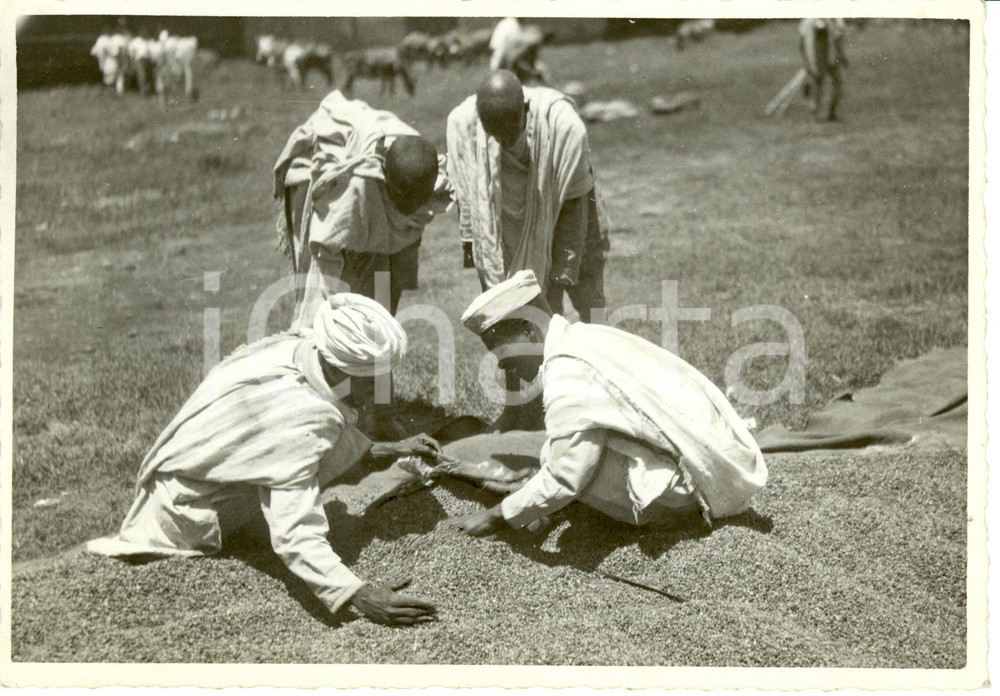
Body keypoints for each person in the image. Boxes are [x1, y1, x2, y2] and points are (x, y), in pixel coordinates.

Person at [87, 294, 441, 627]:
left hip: (179, 484)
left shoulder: (298, 347)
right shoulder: (305, 415)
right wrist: (355, 593)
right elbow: (295, 531)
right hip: (189, 516)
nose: (385, 385)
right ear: (344, 370)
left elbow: (315, 428)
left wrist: (389, 449)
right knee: (311, 457)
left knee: (325, 436)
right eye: (376, 378)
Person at [447, 271, 768, 536]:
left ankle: (669, 518)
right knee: (560, 450)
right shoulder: (586, 335)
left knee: (561, 459)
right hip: (719, 466)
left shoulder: (566, 372)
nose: (503, 368)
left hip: (695, 494)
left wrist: (497, 515)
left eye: (501, 354)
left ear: (529, 330)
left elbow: (567, 476)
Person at [447, 70, 609, 430]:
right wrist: (479, 254)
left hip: (572, 215)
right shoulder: (464, 125)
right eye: (495, 132)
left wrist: (560, 269)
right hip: (505, 227)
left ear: (525, 109)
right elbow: (469, 198)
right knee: (506, 314)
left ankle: (598, 399)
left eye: (511, 129)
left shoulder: (564, 127)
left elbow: (575, 200)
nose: (504, 141)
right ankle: (518, 407)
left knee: (587, 310)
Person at [274, 90, 453, 326]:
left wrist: (385, 326)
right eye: (402, 198)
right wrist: (331, 327)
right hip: (313, 177)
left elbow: (398, 264)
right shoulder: (355, 189)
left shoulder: (426, 179)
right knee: (325, 297)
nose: (409, 207)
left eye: (415, 200)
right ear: (386, 179)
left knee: (378, 283)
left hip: (380, 158)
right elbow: (325, 259)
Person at [798, 18, 847, 121]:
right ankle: (817, 113)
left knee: (836, 84)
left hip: (829, 56)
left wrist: (841, 56)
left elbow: (836, 39)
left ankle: (830, 112)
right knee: (819, 84)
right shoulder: (811, 21)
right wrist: (808, 61)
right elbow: (803, 43)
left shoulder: (832, 19)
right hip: (818, 56)